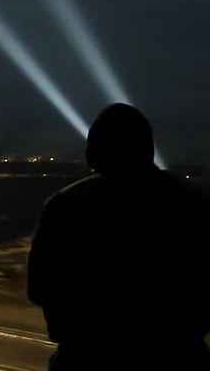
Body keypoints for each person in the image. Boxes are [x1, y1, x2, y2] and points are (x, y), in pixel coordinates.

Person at [28, 103, 210, 369]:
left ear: (94, 151)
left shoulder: (66, 205)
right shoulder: (197, 202)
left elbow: (38, 288)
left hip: (86, 358)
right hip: (181, 357)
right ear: (148, 148)